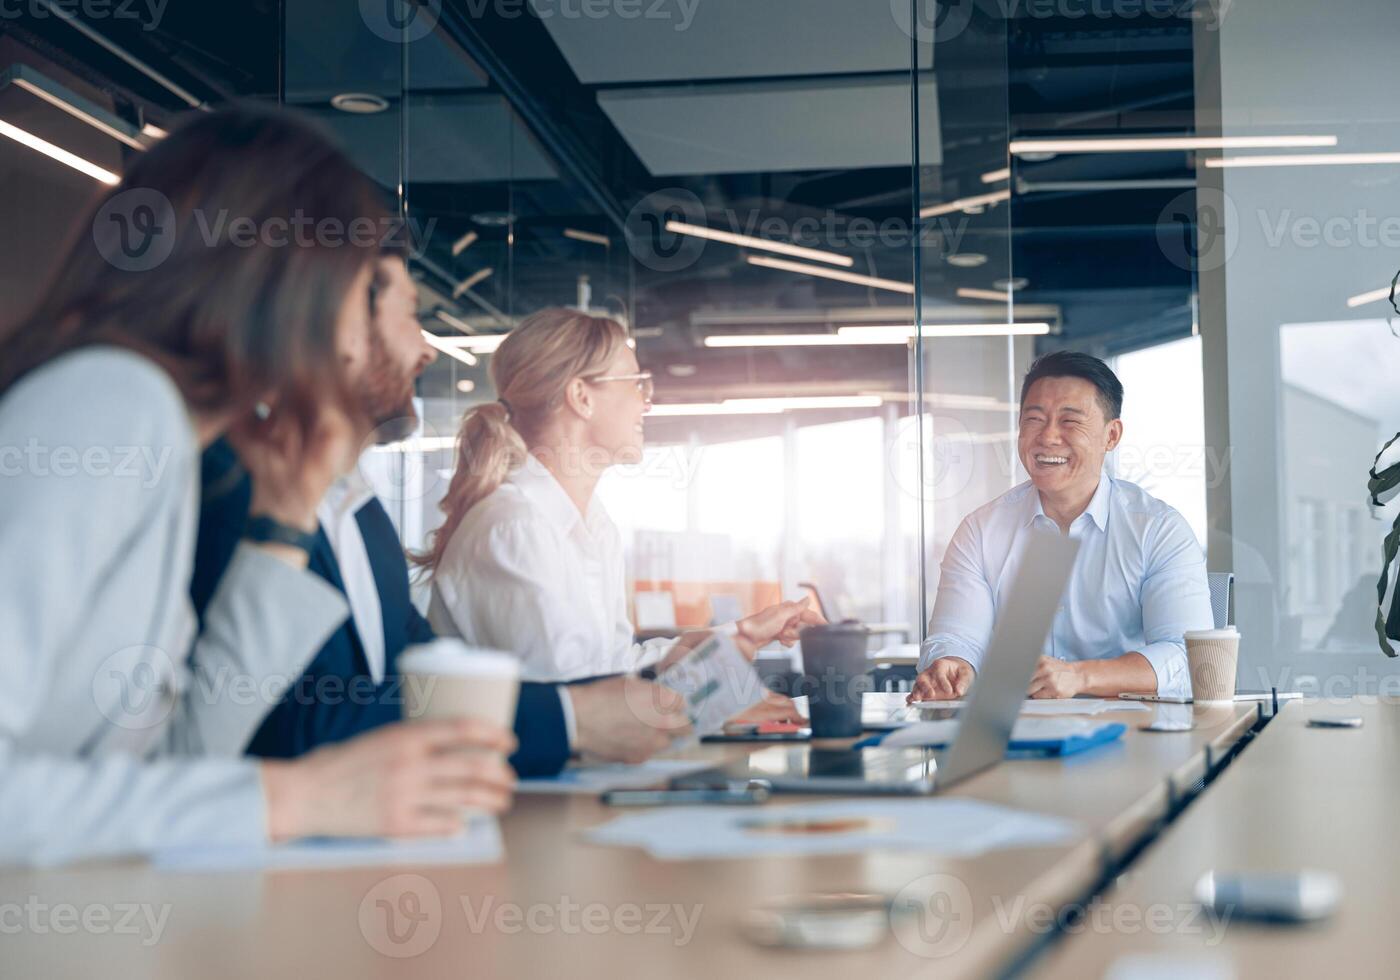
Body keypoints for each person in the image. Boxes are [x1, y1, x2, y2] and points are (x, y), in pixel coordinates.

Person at [0, 105, 514, 867]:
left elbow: (176, 771)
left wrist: (281, 523)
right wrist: (295, 798)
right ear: (287, 277)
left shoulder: (167, 436)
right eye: (360, 282)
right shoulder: (110, 402)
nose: (364, 324)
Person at [192, 254, 692, 772]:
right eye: (409, 314)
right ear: (340, 327)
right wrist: (570, 718)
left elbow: (424, 691)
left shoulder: (360, 514)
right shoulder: (231, 491)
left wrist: (690, 668)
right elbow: (286, 728)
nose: (427, 349)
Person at [412, 307, 822, 685]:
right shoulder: (515, 525)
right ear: (581, 397)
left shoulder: (593, 526)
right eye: (636, 383)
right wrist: (714, 697)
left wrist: (746, 632)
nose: (647, 402)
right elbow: (575, 698)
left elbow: (615, 666)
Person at [909, 351, 1212, 703]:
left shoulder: (1158, 529)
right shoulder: (980, 531)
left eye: (1070, 421)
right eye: (1035, 419)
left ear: (1111, 436)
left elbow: (1191, 658)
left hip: (1134, 736)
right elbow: (957, 638)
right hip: (1009, 740)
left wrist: (1080, 677)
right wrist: (952, 664)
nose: (1048, 437)